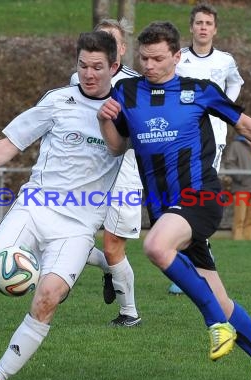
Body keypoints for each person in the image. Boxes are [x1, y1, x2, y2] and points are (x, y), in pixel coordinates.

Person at [97, 21, 251, 380]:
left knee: (155, 248)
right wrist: (104, 122)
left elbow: (246, 125)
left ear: (177, 57)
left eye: (158, 58)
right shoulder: (126, 92)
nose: (149, 65)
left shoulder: (200, 91)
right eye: (144, 58)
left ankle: (215, 323)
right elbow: (117, 147)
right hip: (164, 210)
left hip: (201, 197)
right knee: (223, 300)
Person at [0, 31, 122, 380]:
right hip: (35, 207)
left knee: (48, 296)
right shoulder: (57, 101)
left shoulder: (124, 110)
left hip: (80, 225)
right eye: (83, 65)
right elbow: (11, 143)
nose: (89, 73)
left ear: (114, 67)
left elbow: (126, 148)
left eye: (98, 67)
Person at [169, 2, 244, 295]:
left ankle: (194, 262)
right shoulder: (179, 58)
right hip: (180, 135)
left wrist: (222, 107)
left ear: (215, 29)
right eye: (198, 23)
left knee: (200, 195)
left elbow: (236, 83)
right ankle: (183, 262)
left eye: (208, 23)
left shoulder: (225, 61)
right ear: (191, 27)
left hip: (214, 136)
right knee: (179, 193)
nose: (203, 28)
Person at [71, 19, 142, 327]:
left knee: (114, 246)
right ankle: (106, 270)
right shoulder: (79, 80)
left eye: (110, 41)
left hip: (126, 172)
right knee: (68, 238)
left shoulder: (137, 85)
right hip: (85, 172)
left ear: (121, 50)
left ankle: (129, 314)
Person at [224, 134, 251, 240]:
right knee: (240, 217)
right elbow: (229, 164)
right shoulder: (236, 145)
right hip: (241, 188)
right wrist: (240, 177)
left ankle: (248, 240)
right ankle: (237, 240)